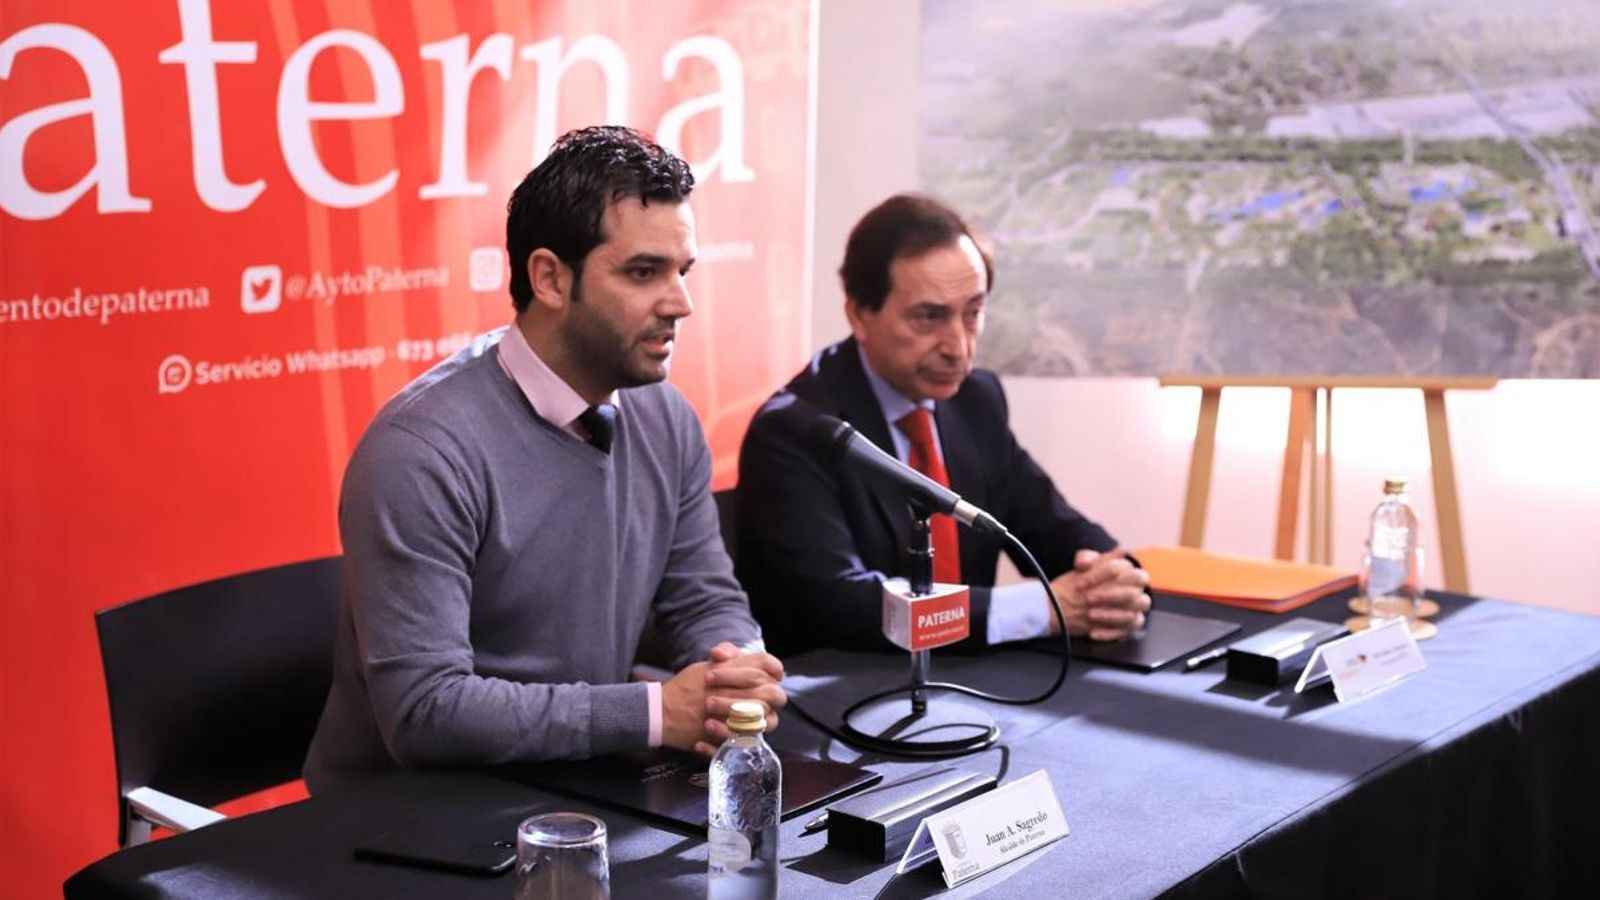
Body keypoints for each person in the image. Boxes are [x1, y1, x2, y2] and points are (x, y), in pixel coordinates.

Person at [304, 126, 784, 792]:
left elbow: (703, 597)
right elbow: (424, 712)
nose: (681, 303)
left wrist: (737, 668)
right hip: (404, 819)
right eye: (643, 272)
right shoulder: (420, 450)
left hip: (580, 790)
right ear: (551, 278)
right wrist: (653, 713)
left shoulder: (667, 417)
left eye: (683, 271)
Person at [736, 193, 1151, 655]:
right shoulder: (796, 430)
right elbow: (843, 604)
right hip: (848, 683)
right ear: (859, 314)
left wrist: (1116, 580)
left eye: (973, 313)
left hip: (970, 680)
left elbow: (1055, 532)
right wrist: (1040, 609)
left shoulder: (977, 398)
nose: (958, 347)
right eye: (929, 318)